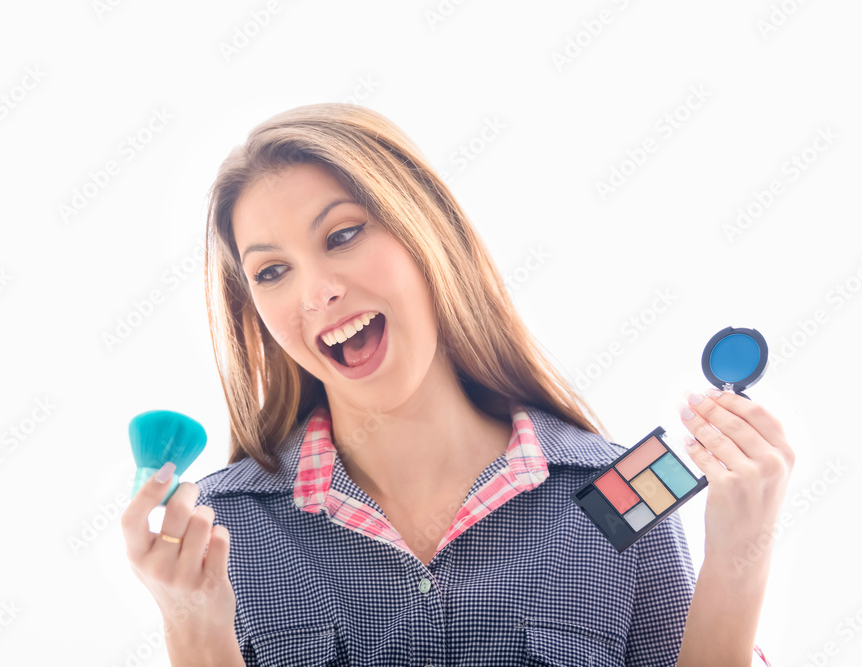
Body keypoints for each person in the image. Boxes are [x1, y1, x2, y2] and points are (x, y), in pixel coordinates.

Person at [121, 103, 794, 666]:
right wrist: (192, 623)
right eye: (272, 272)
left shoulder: (621, 495)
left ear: (428, 236)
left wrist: (740, 551)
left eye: (345, 234)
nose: (317, 292)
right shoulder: (220, 529)